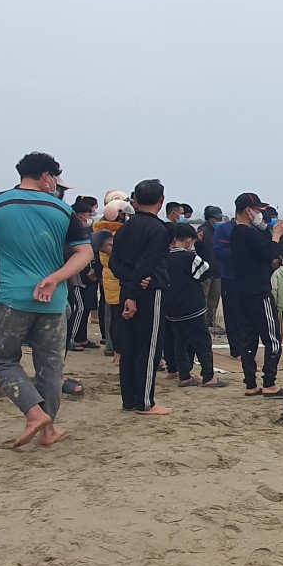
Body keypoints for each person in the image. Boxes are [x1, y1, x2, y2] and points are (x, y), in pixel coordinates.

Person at [0, 151, 92, 447]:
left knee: (3, 359)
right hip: (54, 300)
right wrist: (57, 277)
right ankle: (49, 428)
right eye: (55, 177)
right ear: (46, 176)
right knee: (51, 366)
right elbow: (85, 253)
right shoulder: (62, 210)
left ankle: (34, 413)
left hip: (12, 297)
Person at [109, 178, 172, 416]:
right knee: (149, 347)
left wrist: (129, 282)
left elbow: (115, 262)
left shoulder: (127, 226)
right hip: (148, 292)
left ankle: (130, 399)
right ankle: (145, 402)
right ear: (161, 200)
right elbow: (147, 263)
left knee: (130, 346)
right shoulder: (157, 229)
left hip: (129, 288)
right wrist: (136, 286)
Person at [229, 192, 283, 398]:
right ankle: (269, 383)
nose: (259, 215)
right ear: (248, 210)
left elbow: (261, 256)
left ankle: (250, 383)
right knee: (272, 338)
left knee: (248, 339)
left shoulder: (236, 233)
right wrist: (275, 236)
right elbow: (268, 255)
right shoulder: (247, 233)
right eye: (257, 210)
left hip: (242, 292)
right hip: (259, 292)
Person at [164, 223, 225, 388]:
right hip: (192, 305)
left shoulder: (166, 257)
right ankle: (208, 376)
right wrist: (196, 249)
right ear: (190, 241)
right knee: (202, 341)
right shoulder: (189, 256)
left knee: (180, 342)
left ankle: (184, 376)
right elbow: (204, 271)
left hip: (172, 307)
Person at [65, 201, 98, 352]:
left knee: (80, 306)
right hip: (73, 276)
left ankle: (79, 337)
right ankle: (70, 339)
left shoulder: (83, 231)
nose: (90, 219)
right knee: (78, 307)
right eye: (88, 216)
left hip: (79, 275)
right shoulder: (72, 231)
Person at [213, 212, 240, 352]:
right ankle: (236, 348)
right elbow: (217, 252)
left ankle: (247, 347)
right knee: (232, 313)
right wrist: (239, 250)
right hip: (229, 277)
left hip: (249, 278)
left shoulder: (254, 230)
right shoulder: (224, 229)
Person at [95, 231, 121, 365]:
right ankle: (117, 350)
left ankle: (115, 350)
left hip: (108, 284)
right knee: (116, 320)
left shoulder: (102, 238)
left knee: (111, 318)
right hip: (116, 286)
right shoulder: (118, 245)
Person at [196, 206, 223, 331]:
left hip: (218, 270)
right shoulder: (202, 231)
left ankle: (210, 321)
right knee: (203, 297)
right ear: (209, 219)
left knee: (215, 297)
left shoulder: (220, 231)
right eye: (215, 218)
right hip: (205, 270)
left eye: (220, 218)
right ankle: (201, 321)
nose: (218, 221)